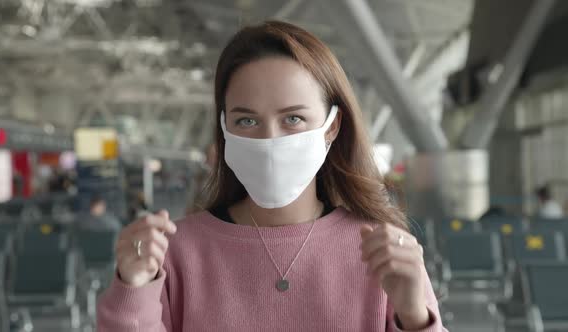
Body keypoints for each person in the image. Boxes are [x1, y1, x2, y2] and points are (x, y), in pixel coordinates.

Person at [98, 21, 446, 331]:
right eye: (246, 121)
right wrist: (133, 288)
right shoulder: (175, 254)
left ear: (332, 127)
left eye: (293, 119)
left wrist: (414, 315)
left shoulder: (380, 251)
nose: (269, 140)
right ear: (224, 128)